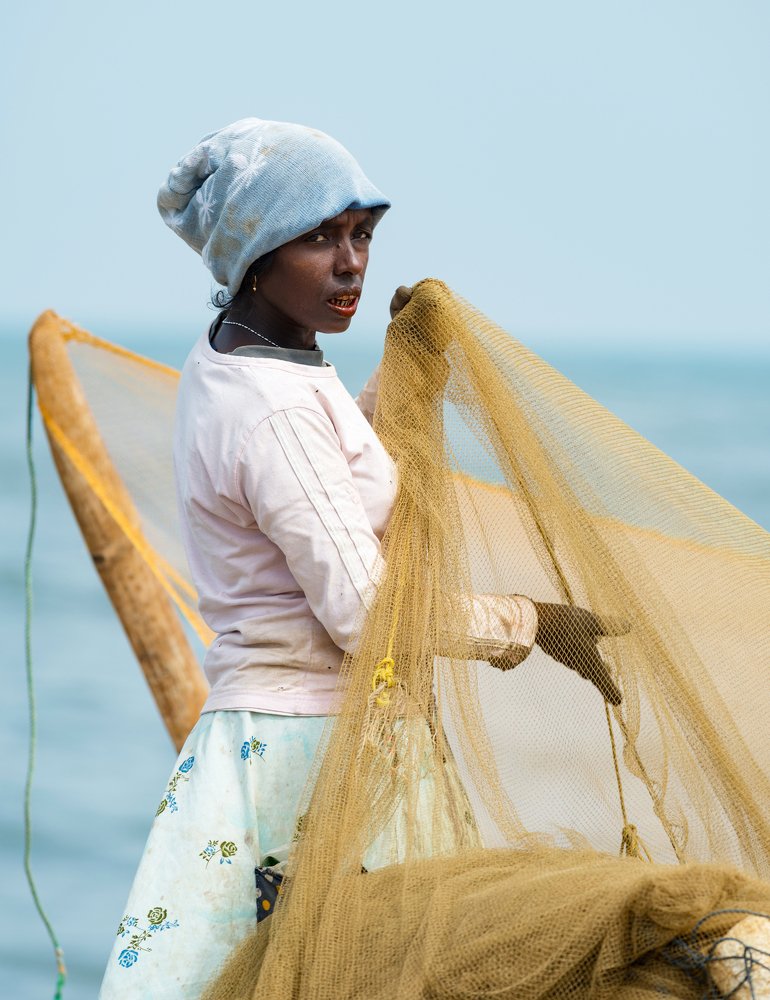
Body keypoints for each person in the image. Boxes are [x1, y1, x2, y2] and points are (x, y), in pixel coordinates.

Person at [99, 117, 621, 999]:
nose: (350, 264)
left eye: (363, 234)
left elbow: (328, 485)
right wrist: (532, 624)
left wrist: (398, 371)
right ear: (254, 254)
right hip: (311, 761)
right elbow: (365, 611)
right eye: (317, 238)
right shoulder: (272, 405)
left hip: (295, 739)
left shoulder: (256, 361)